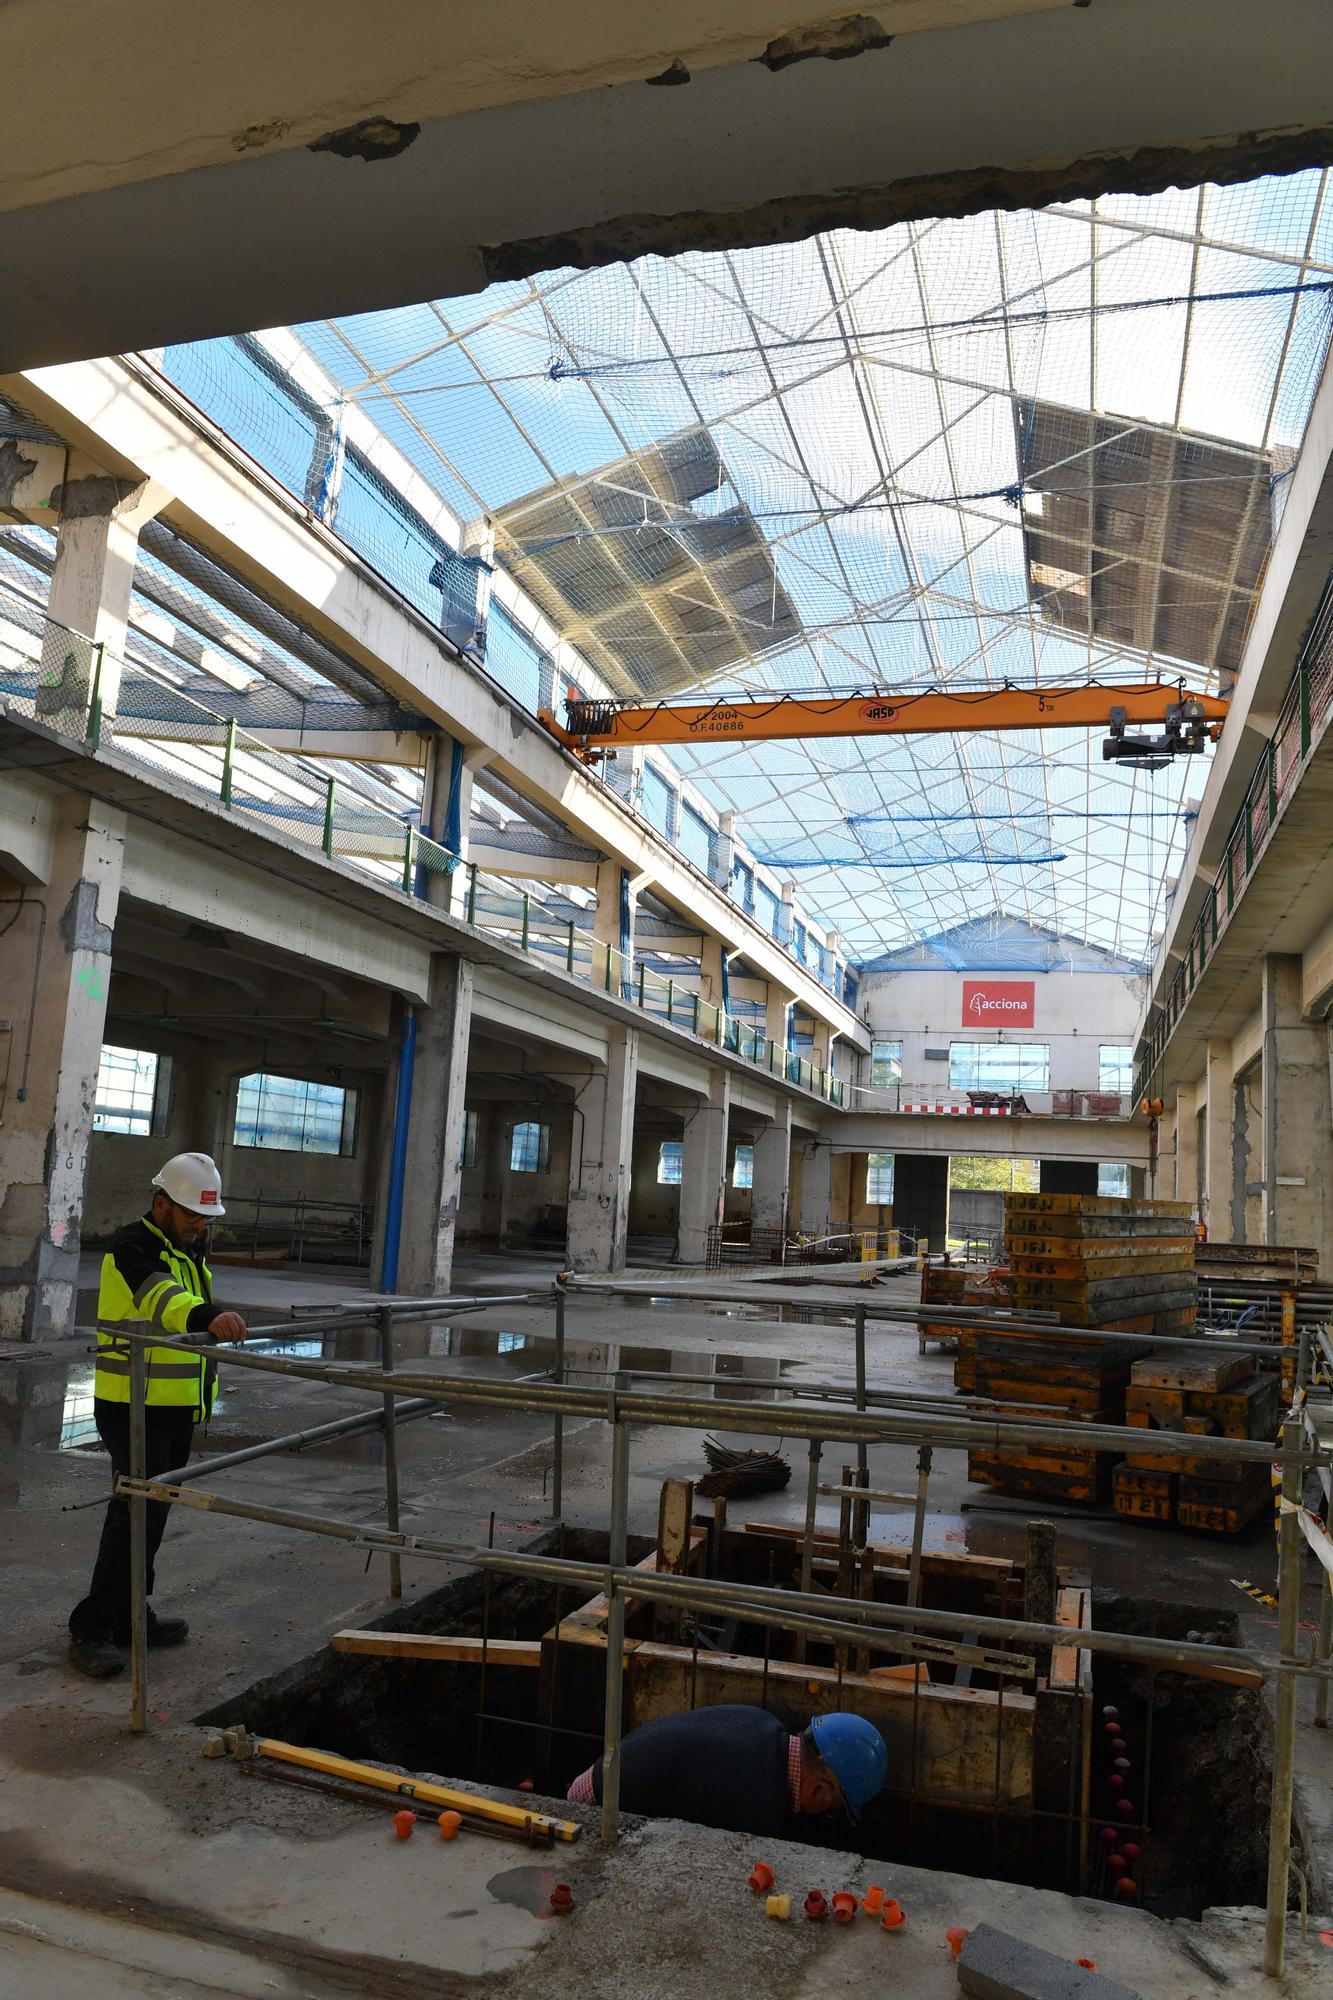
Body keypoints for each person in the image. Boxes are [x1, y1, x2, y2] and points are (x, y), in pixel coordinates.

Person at [67, 1153, 249, 1679]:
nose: (200, 1224)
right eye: (193, 1214)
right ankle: (91, 1630)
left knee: (156, 1511)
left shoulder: (184, 1247)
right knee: (133, 1511)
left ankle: (129, 1615)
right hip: (132, 1404)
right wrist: (209, 1316)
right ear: (161, 1203)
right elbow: (161, 1297)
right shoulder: (133, 1245)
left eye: (205, 1217)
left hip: (173, 1405)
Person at [565, 1705, 887, 1837]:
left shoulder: (762, 1721)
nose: (823, 1813)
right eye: (832, 1809)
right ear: (818, 1790)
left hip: (599, 1771)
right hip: (593, 1811)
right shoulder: (759, 1806)